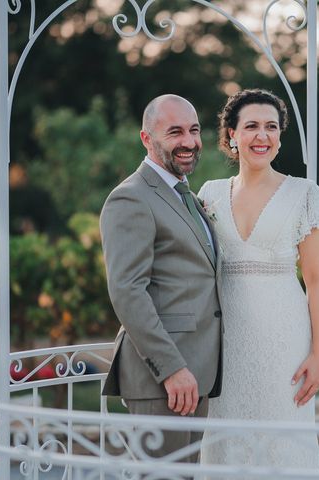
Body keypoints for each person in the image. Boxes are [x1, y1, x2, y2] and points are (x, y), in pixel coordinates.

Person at [198, 89, 319, 470]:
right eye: (252, 126)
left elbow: (318, 279)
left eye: (272, 127)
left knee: (283, 440)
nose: (263, 136)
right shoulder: (208, 195)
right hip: (224, 342)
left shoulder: (303, 194)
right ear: (231, 135)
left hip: (285, 341)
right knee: (226, 440)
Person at [100, 94, 222, 464]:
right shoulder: (131, 198)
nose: (188, 141)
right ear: (146, 138)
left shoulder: (187, 196)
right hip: (164, 376)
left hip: (196, 368)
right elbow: (127, 291)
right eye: (175, 132)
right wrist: (171, 369)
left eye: (194, 130)